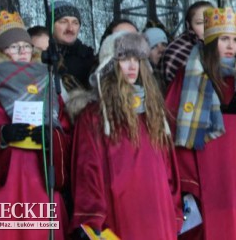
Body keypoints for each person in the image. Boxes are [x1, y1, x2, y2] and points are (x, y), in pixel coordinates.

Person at [0, 10, 70, 239]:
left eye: (25, 45)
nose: (22, 51)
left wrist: (52, 139)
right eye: (13, 46)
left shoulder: (48, 86)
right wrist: (0, 136)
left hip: (39, 184)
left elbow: (66, 133)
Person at [165, 6, 236, 239]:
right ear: (211, 41)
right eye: (224, 39)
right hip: (208, 178)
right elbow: (175, 131)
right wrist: (189, 185)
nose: (231, 46)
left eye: (234, 39)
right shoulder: (191, 76)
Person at [69, 31, 182, 238]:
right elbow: (88, 170)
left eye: (137, 59)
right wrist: (91, 221)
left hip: (159, 212)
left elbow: (169, 168)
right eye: (124, 58)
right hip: (121, 212)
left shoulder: (153, 109)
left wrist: (175, 214)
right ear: (111, 64)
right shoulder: (95, 115)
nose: (132, 66)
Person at [161, 0, 209, 86]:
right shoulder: (176, 51)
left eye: (211, 21)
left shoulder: (225, 45)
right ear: (188, 25)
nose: (207, 27)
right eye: (200, 23)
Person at [50, 0, 95, 92]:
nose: (70, 28)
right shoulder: (41, 56)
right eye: (63, 21)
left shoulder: (89, 60)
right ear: (50, 25)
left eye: (75, 23)